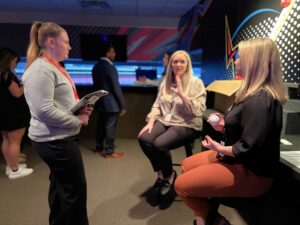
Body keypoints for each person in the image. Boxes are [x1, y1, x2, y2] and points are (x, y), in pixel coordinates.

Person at [175, 38, 286, 225]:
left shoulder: (261, 99)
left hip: (252, 173)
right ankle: (204, 220)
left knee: (181, 186)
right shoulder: (251, 92)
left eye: (240, 58)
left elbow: (248, 147)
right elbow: (246, 127)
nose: (235, 61)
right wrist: (224, 125)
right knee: (186, 165)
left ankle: (217, 222)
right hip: (237, 160)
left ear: (253, 63)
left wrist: (219, 148)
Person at [22, 22, 92, 225]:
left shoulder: (51, 66)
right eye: (67, 42)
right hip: (55, 141)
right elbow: (43, 110)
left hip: (57, 137)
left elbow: (56, 103)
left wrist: (80, 108)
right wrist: (76, 120)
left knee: (61, 187)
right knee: (75, 192)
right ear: (51, 42)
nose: (70, 47)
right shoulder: (41, 70)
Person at [138, 50, 206, 208]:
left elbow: (198, 110)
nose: (178, 64)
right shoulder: (165, 83)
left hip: (186, 123)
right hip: (167, 121)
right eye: (175, 62)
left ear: (187, 64)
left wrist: (182, 95)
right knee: (144, 138)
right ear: (171, 64)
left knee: (160, 144)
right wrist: (150, 121)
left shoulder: (196, 83)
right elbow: (157, 105)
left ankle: (169, 176)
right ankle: (162, 173)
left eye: (182, 61)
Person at [0, 47, 33, 179]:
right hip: (13, 113)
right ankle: (15, 170)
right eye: (15, 61)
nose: (16, 64)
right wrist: (27, 84)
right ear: (9, 60)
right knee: (14, 142)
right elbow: (17, 93)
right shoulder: (7, 74)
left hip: (3, 112)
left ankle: (10, 166)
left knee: (6, 140)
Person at [92, 42, 126, 158]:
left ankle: (98, 147)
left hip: (99, 102)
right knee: (109, 127)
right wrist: (122, 105)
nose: (115, 54)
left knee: (100, 125)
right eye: (113, 51)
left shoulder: (96, 66)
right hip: (111, 104)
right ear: (108, 53)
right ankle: (109, 151)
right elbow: (116, 88)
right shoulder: (110, 68)